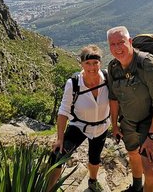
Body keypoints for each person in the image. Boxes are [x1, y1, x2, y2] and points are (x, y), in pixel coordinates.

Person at [106, 26, 153, 192]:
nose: (118, 48)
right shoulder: (113, 67)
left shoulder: (148, 65)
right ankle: (137, 187)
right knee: (133, 154)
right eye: (113, 44)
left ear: (130, 42)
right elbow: (113, 99)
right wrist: (114, 125)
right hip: (128, 123)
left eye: (121, 42)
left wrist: (152, 137)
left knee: (150, 170)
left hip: (150, 124)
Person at [47, 44, 110, 192]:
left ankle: (93, 182)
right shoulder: (74, 83)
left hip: (101, 127)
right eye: (88, 63)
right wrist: (60, 138)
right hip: (79, 126)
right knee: (57, 157)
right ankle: (49, 189)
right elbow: (63, 111)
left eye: (95, 63)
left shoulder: (107, 78)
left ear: (100, 63)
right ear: (81, 63)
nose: (92, 67)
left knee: (94, 158)